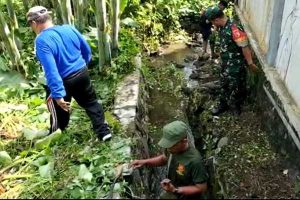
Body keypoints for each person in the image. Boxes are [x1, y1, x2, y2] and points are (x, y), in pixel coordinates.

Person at [26, 6, 112, 141]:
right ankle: (103, 131)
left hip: (63, 80)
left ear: (34, 23)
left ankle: (56, 134)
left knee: (57, 108)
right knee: (91, 102)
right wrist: (83, 65)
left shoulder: (41, 41)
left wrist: (58, 95)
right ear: (48, 18)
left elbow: (51, 70)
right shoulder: (69, 28)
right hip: (81, 73)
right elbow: (86, 50)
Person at [131, 121, 208, 199]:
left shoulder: (195, 161)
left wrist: (175, 190)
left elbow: (201, 188)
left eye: (171, 145)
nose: (168, 148)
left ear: (184, 141)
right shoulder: (172, 149)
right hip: (173, 189)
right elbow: (164, 159)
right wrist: (144, 162)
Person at [206, 6, 257, 116]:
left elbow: (244, 47)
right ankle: (223, 104)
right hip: (225, 64)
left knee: (236, 85)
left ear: (217, 20)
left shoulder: (234, 29)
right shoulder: (222, 27)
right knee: (223, 84)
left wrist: (250, 63)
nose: (213, 25)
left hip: (235, 65)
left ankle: (235, 105)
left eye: (213, 22)